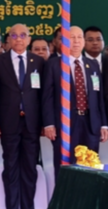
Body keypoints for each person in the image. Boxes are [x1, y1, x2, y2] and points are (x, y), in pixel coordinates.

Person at [0, 23, 45, 209]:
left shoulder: (38, 62)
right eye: (14, 35)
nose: (19, 39)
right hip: (8, 122)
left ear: (29, 39)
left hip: (32, 123)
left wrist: (44, 122)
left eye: (23, 35)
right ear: (8, 40)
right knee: (11, 167)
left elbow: (43, 95)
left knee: (30, 168)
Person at [42, 26, 107, 181]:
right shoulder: (54, 65)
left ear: (83, 41)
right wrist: (49, 123)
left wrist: (104, 124)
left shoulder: (92, 65)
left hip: (91, 123)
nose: (76, 41)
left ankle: (88, 197)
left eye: (79, 37)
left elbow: (99, 97)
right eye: (72, 37)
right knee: (66, 167)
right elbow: (47, 97)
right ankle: (66, 196)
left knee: (90, 167)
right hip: (65, 123)